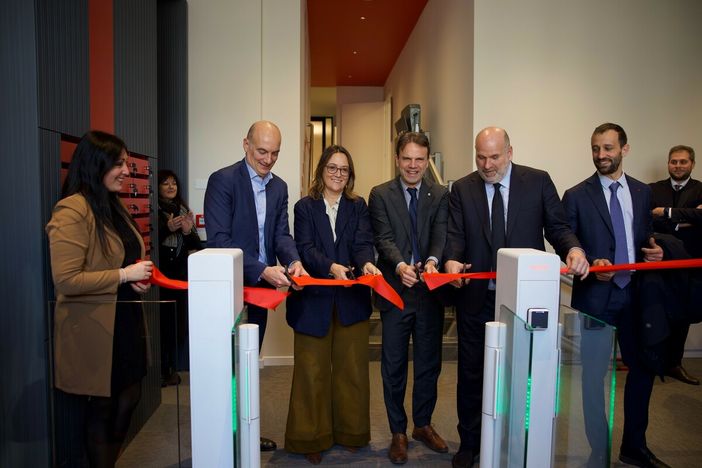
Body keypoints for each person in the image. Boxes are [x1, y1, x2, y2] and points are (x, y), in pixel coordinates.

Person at [443, 127, 589, 468]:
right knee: (472, 374)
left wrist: (574, 249)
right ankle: (470, 443)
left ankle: (517, 441)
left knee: (522, 373)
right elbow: (455, 236)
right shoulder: (462, 188)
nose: (487, 165)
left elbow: (558, 227)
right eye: (481, 157)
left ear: (510, 152)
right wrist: (451, 260)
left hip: (524, 301)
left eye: (494, 157)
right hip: (477, 300)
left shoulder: (537, 181)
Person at [46, 130, 154, 467]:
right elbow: (66, 280)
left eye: (126, 163)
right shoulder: (71, 209)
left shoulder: (112, 204)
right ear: (96, 164)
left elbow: (124, 258)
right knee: (103, 407)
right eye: (118, 163)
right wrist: (124, 276)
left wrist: (136, 280)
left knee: (129, 397)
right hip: (95, 327)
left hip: (124, 319)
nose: (126, 171)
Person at [562, 123, 667, 467]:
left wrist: (655, 251)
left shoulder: (642, 192)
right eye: (595, 148)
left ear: (624, 149)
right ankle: (598, 449)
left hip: (637, 297)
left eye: (607, 148)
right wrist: (590, 261)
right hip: (597, 299)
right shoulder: (576, 195)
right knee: (594, 377)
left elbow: (645, 236)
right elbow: (566, 239)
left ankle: (634, 446)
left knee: (643, 369)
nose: (600, 155)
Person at [204, 120, 307, 452]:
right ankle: (224, 441)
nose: (268, 159)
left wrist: (293, 261)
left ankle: (245, 433)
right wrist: (263, 270)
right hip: (231, 289)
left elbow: (281, 235)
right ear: (245, 144)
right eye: (262, 151)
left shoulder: (279, 187)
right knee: (227, 368)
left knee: (249, 363)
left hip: (262, 291)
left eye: (275, 153)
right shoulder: (223, 181)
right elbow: (219, 242)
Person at [284, 145, 381, 465]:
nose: (338, 174)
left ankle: (351, 433)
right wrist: (331, 267)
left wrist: (366, 264)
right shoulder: (305, 207)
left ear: (350, 175)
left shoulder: (358, 206)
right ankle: (310, 437)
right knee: (311, 372)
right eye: (332, 168)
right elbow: (305, 248)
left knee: (351, 371)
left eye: (344, 169)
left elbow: (363, 243)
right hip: (313, 302)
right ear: (321, 170)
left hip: (351, 301)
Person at [368, 131, 449, 465]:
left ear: (427, 161)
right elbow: (383, 238)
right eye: (407, 159)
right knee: (394, 366)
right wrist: (401, 265)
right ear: (397, 159)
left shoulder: (440, 194)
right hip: (396, 292)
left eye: (419, 159)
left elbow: (441, 234)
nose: (413, 166)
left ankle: (423, 425)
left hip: (429, 293)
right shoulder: (380, 194)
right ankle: (398, 432)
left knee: (429, 364)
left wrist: (432, 261)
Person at [649, 145, 701, 386]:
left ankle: (674, 363)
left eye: (683, 162)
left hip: (690, 263)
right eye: (674, 161)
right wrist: (688, 217)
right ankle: (655, 362)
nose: (678, 166)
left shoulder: (700, 189)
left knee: (683, 315)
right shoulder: (652, 189)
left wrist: (667, 213)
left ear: (692, 164)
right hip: (658, 262)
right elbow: (647, 218)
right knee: (656, 311)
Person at [157, 169, 202, 387]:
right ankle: (162, 369)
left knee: (178, 324)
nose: (170, 187)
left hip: (182, 276)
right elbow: (151, 241)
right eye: (165, 183)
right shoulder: (154, 210)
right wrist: (167, 228)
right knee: (163, 323)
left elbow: (196, 244)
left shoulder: (184, 210)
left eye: (173, 183)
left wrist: (185, 231)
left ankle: (171, 367)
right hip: (162, 276)